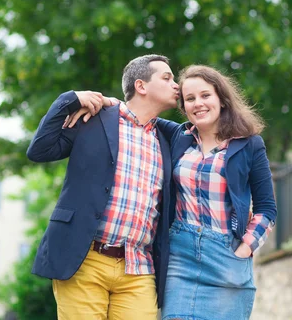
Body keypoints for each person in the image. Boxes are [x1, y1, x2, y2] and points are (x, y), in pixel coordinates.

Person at [67, 64, 277, 320]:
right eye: (190, 99)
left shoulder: (250, 145)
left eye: (205, 95)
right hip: (181, 259)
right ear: (184, 107)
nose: (198, 103)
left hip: (226, 258)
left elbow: (267, 207)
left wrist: (245, 248)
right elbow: (136, 113)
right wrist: (108, 101)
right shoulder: (178, 136)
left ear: (221, 99)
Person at [26, 54, 179, 320]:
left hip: (139, 268)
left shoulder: (168, 137)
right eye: (167, 78)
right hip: (84, 260)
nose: (176, 85)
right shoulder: (95, 119)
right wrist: (69, 99)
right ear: (141, 86)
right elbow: (40, 150)